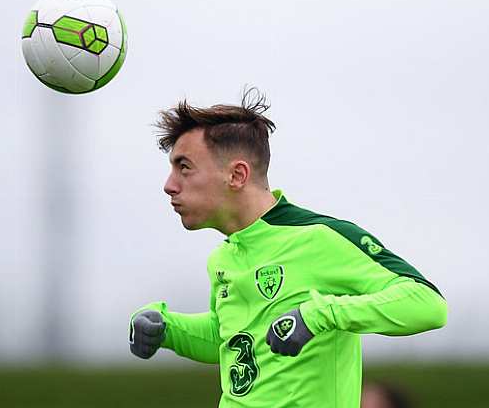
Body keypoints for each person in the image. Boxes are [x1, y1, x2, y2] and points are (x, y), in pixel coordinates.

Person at [128, 88, 448, 407]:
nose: (169, 184)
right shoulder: (224, 258)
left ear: (237, 175)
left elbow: (427, 304)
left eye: (184, 167)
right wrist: (167, 328)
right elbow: (231, 339)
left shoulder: (320, 238)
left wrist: (319, 314)